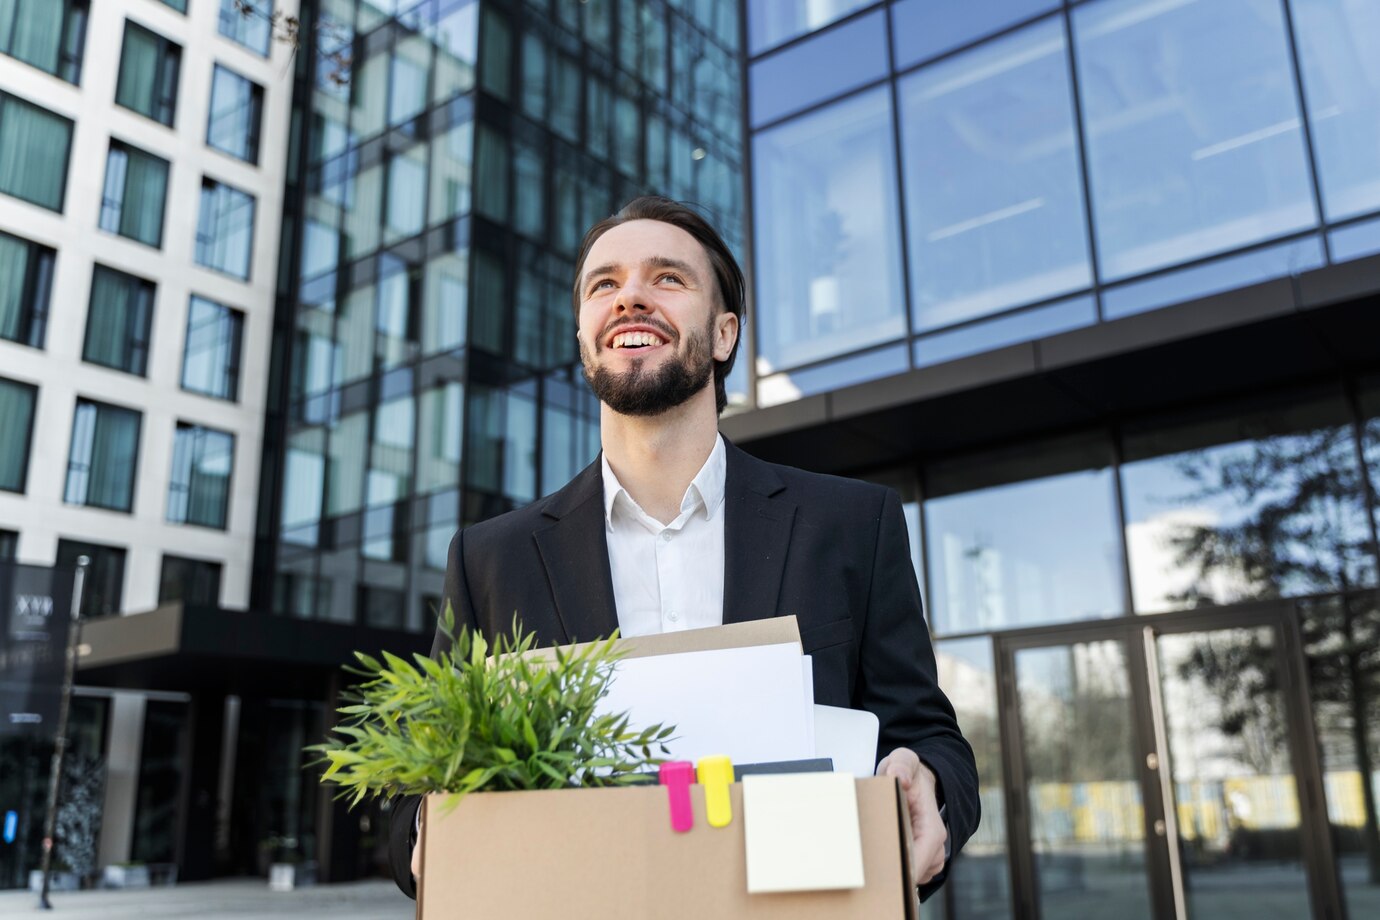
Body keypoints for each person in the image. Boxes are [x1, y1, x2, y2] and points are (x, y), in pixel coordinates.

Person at [388, 196, 978, 901]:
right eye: (603, 284)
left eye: (667, 278)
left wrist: (929, 787)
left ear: (724, 333)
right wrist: (433, 829)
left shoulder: (852, 524)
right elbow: (409, 793)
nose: (630, 295)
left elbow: (932, 742)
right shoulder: (490, 559)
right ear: (583, 335)